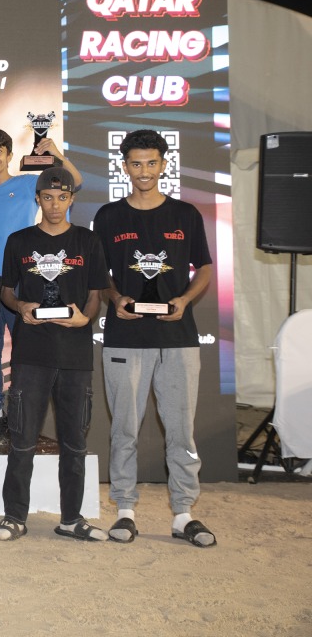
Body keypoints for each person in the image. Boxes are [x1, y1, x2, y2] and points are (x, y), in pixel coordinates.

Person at [93, 130, 215, 548]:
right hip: (125, 337)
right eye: (135, 163)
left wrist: (183, 300)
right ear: (124, 166)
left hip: (178, 338)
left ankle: (184, 514)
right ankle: (125, 511)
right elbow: (100, 277)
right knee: (125, 429)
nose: (144, 171)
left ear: (164, 164)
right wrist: (115, 297)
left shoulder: (186, 214)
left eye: (151, 162)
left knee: (181, 431)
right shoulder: (108, 216)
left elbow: (207, 269)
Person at [0, 169, 109, 542]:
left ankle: (72, 519)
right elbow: (6, 290)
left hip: (74, 355)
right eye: (47, 197)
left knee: (74, 441)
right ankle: (14, 517)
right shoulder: (19, 241)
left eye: (62, 197)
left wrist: (85, 319)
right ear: (37, 199)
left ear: (71, 199)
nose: (54, 204)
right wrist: (22, 305)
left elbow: (95, 293)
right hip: (31, 354)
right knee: (22, 440)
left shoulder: (88, 241)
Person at [0, 127, 84, 444]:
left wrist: (59, 154)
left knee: (26, 353)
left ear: (9, 155)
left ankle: (22, 413)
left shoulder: (26, 184)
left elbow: (74, 182)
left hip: (23, 281)